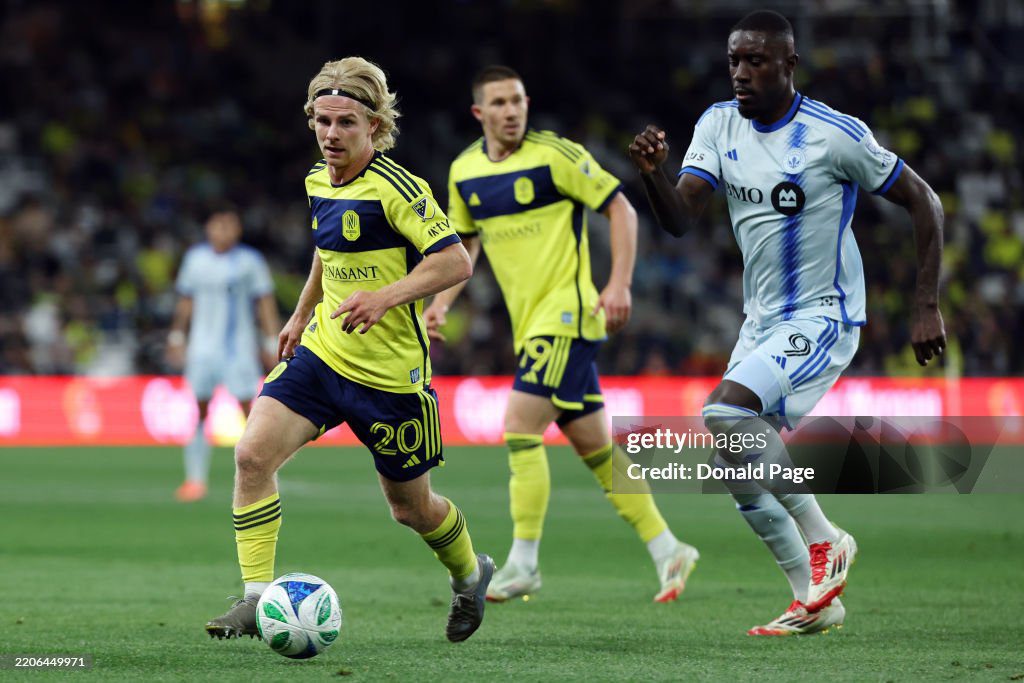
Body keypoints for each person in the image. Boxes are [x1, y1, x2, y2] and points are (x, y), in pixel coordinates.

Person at [629, 10, 946, 635]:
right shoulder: (718, 124)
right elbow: (680, 218)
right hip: (761, 321)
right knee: (735, 465)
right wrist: (652, 174)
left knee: (724, 412)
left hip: (823, 314)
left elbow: (924, 200)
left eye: (756, 61)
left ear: (788, 64)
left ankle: (827, 538)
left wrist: (925, 303)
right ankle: (813, 601)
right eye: (734, 61)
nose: (741, 73)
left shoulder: (835, 135)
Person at [204, 57, 494, 644]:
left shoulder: (399, 189)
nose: (331, 134)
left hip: (389, 376)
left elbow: (455, 261)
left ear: (374, 126)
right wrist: (302, 312)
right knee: (252, 457)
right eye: (322, 121)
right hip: (323, 355)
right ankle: (256, 598)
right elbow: (327, 248)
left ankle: (470, 575)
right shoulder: (318, 180)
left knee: (411, 510)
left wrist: (385, 297)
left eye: (346, 123)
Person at [425, 65, 699, 604]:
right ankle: (668, 547)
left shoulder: (557, 156)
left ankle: (524, 562)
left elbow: (621, 209)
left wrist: (618, 283)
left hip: (567, 315)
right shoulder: (464, 171)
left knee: (519, 425)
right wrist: (442, 302)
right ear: (479, 112)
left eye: (518, 100)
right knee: (595, 448)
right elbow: (465, 245)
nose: (511, 111)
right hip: (531, 325)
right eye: (499, 103)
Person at [166, 207, 279, 503]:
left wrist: (271, 341)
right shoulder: (195, 260)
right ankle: (194, 479)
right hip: (203, 348)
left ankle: (265, 476)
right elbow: (186, 301)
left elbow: (264, 302)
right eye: (218, 225)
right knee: (200, 409)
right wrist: (177, 335)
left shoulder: (250, 261)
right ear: (208, 228)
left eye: (230, 225)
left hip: (238, 348)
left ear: (238, 230)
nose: (224, 231)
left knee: (250, 414)